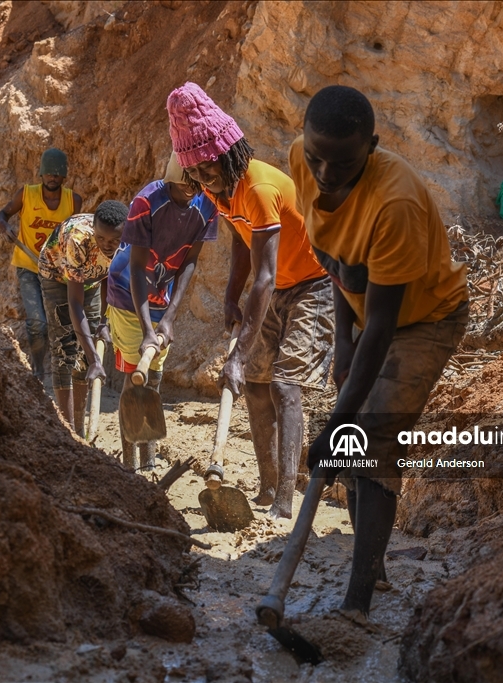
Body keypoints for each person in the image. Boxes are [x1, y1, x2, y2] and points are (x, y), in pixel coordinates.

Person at [290, 85, 469, 623]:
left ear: (372, 145)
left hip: (426, 319)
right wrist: (342, 342)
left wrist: (336, 423)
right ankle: (375, 560)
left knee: (370, 435)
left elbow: (385, 325)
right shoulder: (304, 160)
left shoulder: (395, 204)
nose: (323, 172)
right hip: (367, 318)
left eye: (341, 162)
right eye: (316, 156)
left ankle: (357, 602)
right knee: (355, 429)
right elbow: (338, 260)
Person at [167, 82, 334, 519]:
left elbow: (265, 275)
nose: (205, 178)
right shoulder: (217, 191)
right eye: (197, 172)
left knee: (284, 384)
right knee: (257, 387)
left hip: (316, 284)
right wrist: (228, 295)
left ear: (229, 152)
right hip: (276, 288)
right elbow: (244, 243)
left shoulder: (258, 188)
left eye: (210, 168)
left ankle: (285, 500)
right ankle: (266, 489)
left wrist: (237, 356)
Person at [106, 153, 219, 470]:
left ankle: (149, 460)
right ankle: (129, 465)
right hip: (128, 290)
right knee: (134, 377)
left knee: (153, 378)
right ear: (170, 180)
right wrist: (146, 332)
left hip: (161, 295)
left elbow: (190, 261)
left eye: (197, 186)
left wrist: (169, 317)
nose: (191, 192)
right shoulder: (147, 201)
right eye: (184, 186)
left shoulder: (206, 204)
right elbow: (138, 266)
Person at [0, 148, 82, 397]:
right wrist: (5, 226)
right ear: (41, 174)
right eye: (49, 173)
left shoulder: (73, 201)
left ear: (64, 176)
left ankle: (65, 375)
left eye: (57, 173)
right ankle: (37, 372)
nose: (53, 177)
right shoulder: (27, 194)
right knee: (37, 324)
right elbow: (1, 214)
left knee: (62, 324)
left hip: (57, 272)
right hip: (29, 267)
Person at [38, 200, 127, 433]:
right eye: (101, 239)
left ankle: (81, 428)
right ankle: (68, 432)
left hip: (93, 279)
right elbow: (75, 304)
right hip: (57, 276)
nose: (107, 245)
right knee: (66, 348)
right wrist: (97, 360)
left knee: (87, 354)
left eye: (114, 240)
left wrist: (105, 321)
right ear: (94, 232)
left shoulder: (129, 238)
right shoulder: (78, 239)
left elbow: (112, 275)